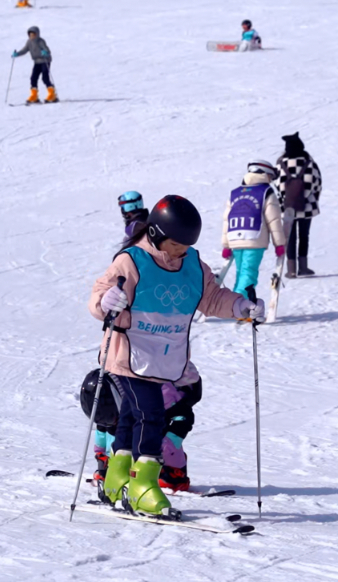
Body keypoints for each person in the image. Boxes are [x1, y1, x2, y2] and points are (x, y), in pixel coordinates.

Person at [89, 195, 263, 516]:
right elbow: (101, 293)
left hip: (164, 359)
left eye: (185, 246)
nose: (180, 252)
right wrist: (108, 301)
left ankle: (115, 478)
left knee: (130, 416)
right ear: (155, 234)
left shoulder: (192, 265)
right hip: (128, 356)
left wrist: (240, 306)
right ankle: (143, 486)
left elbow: (211, 298)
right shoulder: (132, 261)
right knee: (151, 415)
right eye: (175, 245)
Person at [80, 362, 204, 493]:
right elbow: (105, 426)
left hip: (170, 391)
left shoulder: (163, 402)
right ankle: (117, 462)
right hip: (137, 375)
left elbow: (179, 427)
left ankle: (175, 473)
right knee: (119, 425)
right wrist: (103, 456)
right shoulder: (113, 400)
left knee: (154, 432)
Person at [221, 160, 288, 298]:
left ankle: (237, 305)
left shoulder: (235, 193)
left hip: (234, 238)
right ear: (265, 175)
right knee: (248, 273)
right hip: (254, 237)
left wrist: (226, 245)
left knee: (241, 273)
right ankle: (239, 306)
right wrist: (279, 244)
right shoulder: (266, 192)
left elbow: (227, 221)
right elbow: (273, 220)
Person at [274, 133, 323, 278]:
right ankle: (303, 267)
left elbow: (279, 185)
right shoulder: (309, 162)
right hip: (307, 207)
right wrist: (305, 197)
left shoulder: (281, 163)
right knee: (304, 236)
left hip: (287, 207)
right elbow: (316, 183)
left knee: (289, 238)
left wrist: (288, 198)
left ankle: (291, 269)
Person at [13, 26, 57, 104]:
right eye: (30, 34)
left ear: (37, 34)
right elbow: (25, 50)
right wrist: (17, 54)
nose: (32, 36)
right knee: (33, 78)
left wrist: (45, 53)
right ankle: (34, 96)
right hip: (37, 62)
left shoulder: (40, 41)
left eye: (33, 34)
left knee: (45, 78)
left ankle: (52, 95)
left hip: (45, 61)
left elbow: (47, 50)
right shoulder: (29, 42)